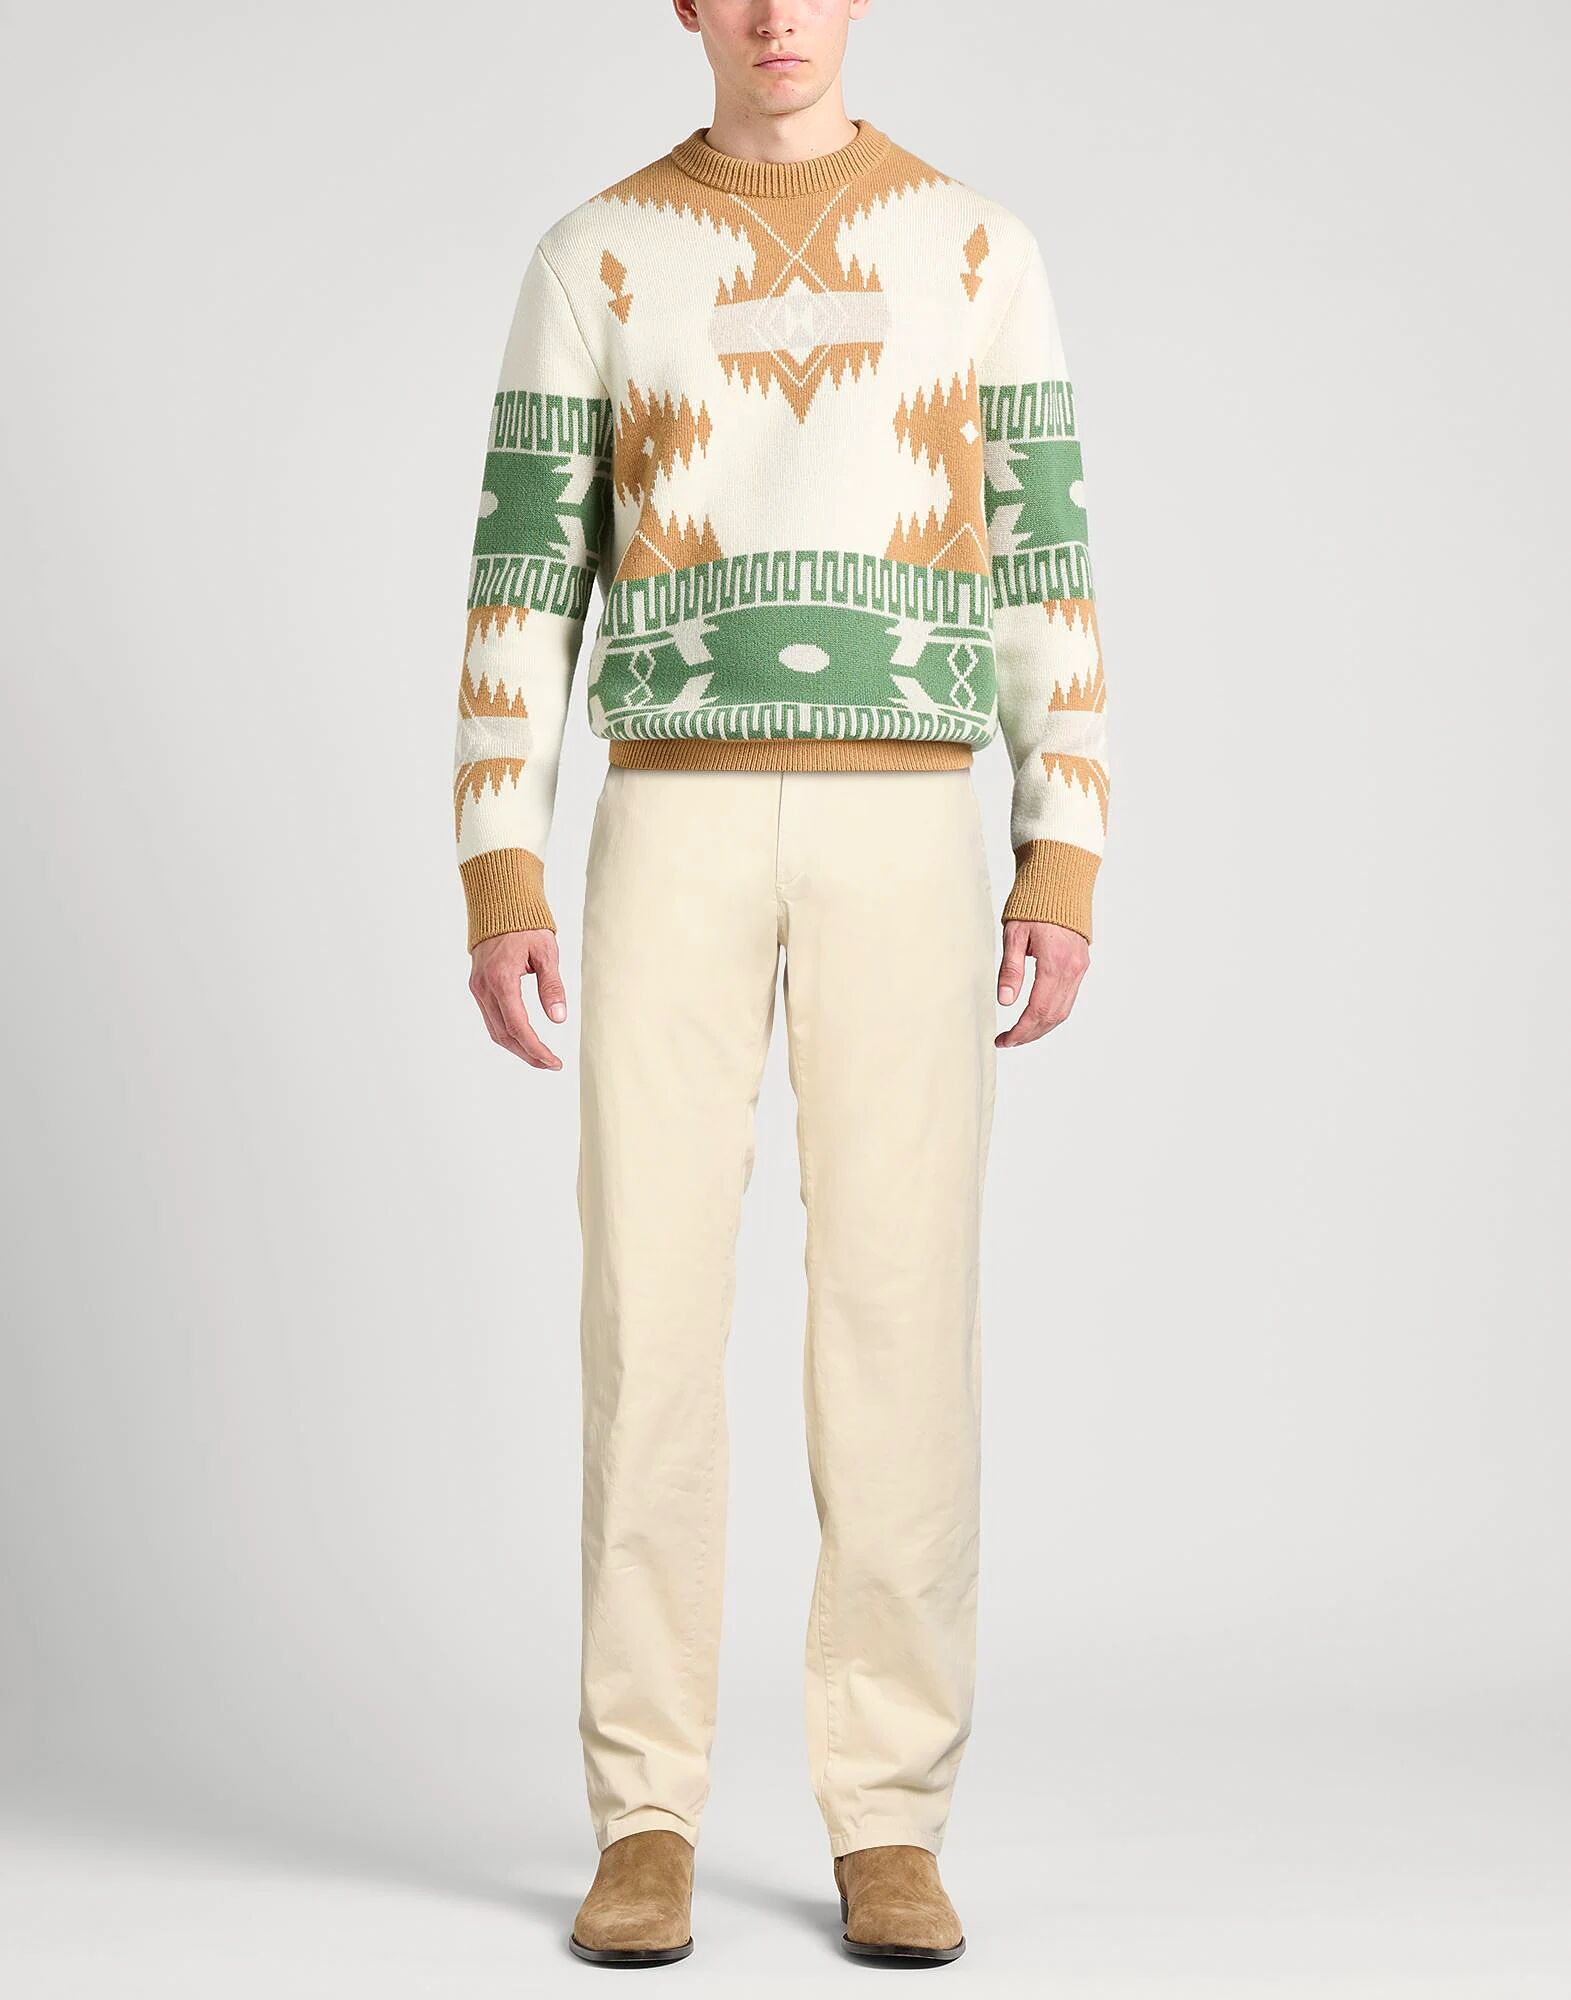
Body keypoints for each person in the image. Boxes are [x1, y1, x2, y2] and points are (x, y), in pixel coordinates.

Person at [453, 0, 1110, 1968]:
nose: (773, 14)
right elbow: (521, 570)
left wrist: (1061, 840)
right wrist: (500, 854)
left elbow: (1047, 560)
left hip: (910, 822)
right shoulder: (595, 257)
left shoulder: (978, 251)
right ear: (683, 4)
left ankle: (890, 1817)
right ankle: (643, 1814)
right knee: (648, 1311)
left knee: (902, 1312)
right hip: (670, 814)